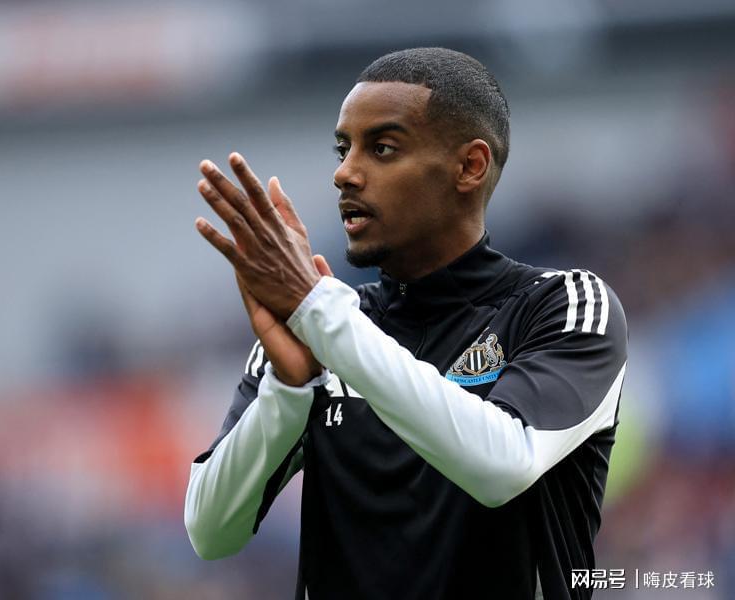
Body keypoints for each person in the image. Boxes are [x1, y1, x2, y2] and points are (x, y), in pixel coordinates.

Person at [184, 47, 627, 600]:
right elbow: (211, 531)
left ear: (470, 166)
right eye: (343, 149)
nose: (344, 173)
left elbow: (505, 465)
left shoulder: (563, 303)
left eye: (382, 148)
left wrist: (321, 312)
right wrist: (288, 390)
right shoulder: (319, 327)